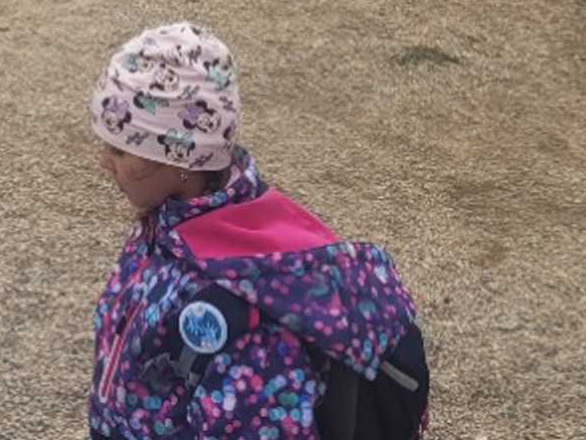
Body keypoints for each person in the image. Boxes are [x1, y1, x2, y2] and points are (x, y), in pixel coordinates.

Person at [88, 22, 427, 440]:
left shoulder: (242, 299)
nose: (103, 161)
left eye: (120, 149)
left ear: (180, 157)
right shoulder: (168, 226)